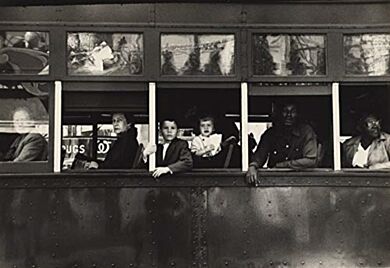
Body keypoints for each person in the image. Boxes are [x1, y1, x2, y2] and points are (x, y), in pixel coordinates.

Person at [246, 102, 319, 185]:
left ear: (298, 114)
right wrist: (253, 167)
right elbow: (259, 157)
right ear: (279, 113)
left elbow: (311, 160)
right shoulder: (271, 133)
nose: (289, 115)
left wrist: (282, 165)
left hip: (300, 183)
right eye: (285, 111)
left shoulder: (306, 132)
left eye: (293, 111)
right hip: (274, 184)